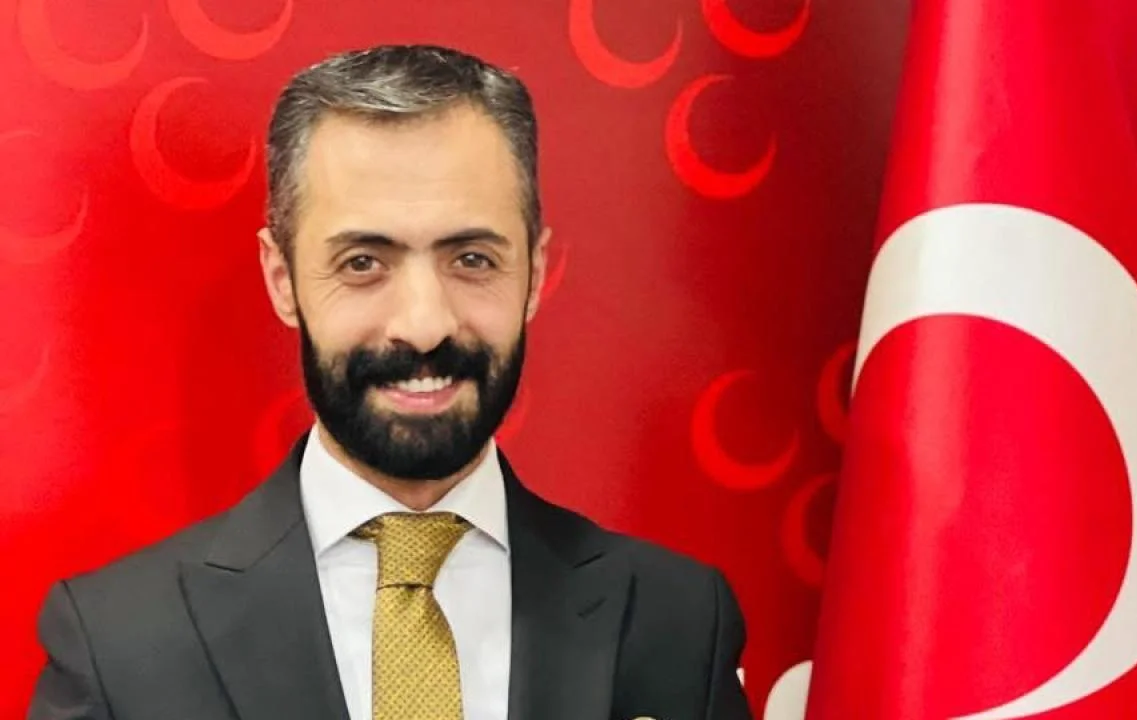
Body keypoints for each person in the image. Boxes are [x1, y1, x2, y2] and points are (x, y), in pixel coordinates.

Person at [27, 45, 752, 720]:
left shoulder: (681, 621)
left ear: (534, 272)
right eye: (363, 264)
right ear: (282, 278)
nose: (424, 325)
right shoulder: (116, 645)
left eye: (471, 259)